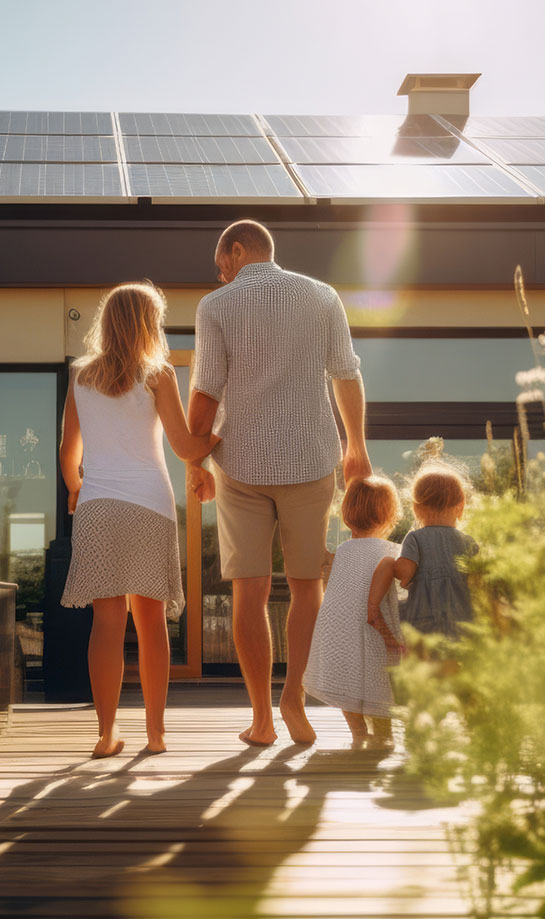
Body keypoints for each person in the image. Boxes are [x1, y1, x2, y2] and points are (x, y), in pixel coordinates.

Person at [185, 219, 371, 747]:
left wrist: (194, 463)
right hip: (312, 458)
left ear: (238, 251)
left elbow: (206, 391)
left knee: (250, 588)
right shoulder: (322, 295)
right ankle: (295, 698)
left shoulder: (215, 307)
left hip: (239, 463)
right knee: (308, 583)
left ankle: (261, 718)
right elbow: (346, 373)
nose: (219, 274)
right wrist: (355, 448)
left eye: (221, 262)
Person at [60, 282, 218, 758]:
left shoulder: (80, 375)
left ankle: (106, 734)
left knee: (107, 621)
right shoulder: (158, 375)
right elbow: (185, 447)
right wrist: (217, 437)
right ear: (150, 325)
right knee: (150, 622)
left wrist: (75, 489)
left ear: (106, 322)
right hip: (150, 503)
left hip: (99, 506)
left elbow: (69, 450)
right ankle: (155, 734)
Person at [303, 476, 404, 747]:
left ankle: (359, 732)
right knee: (379, 680)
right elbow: (402, 587)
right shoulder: (392, 550)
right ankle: (384, 735)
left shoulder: (343, 550)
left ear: (347, 515)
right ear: (390, 515)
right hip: (372, 625)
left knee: (346, 682)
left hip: (336, 624)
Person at [369, 463, 479, 642]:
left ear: (417, 509)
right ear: (461, 507)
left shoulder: (416, 539)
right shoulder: (468, 542)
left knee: (424, 665)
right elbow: (477, 582)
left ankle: (372, 608)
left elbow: (405, 572)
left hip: (423, 621)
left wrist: (390, 565)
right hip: (461, 621)